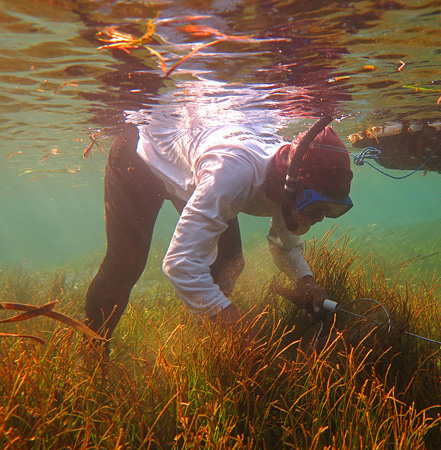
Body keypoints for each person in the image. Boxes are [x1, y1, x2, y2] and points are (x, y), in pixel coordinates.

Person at [84, 117, 354, 346]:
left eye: (332, 210)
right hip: (140, 156)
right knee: (125, 265)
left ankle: (205, 339)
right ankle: (93, 348)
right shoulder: (232, 174)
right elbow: (180, 264)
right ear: (291, 183)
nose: (319, 219)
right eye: (317, 207)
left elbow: (285, 242)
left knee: (229, 262)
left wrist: (305, 281)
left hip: (194, 161)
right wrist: (240, 328)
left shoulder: (291, 176)